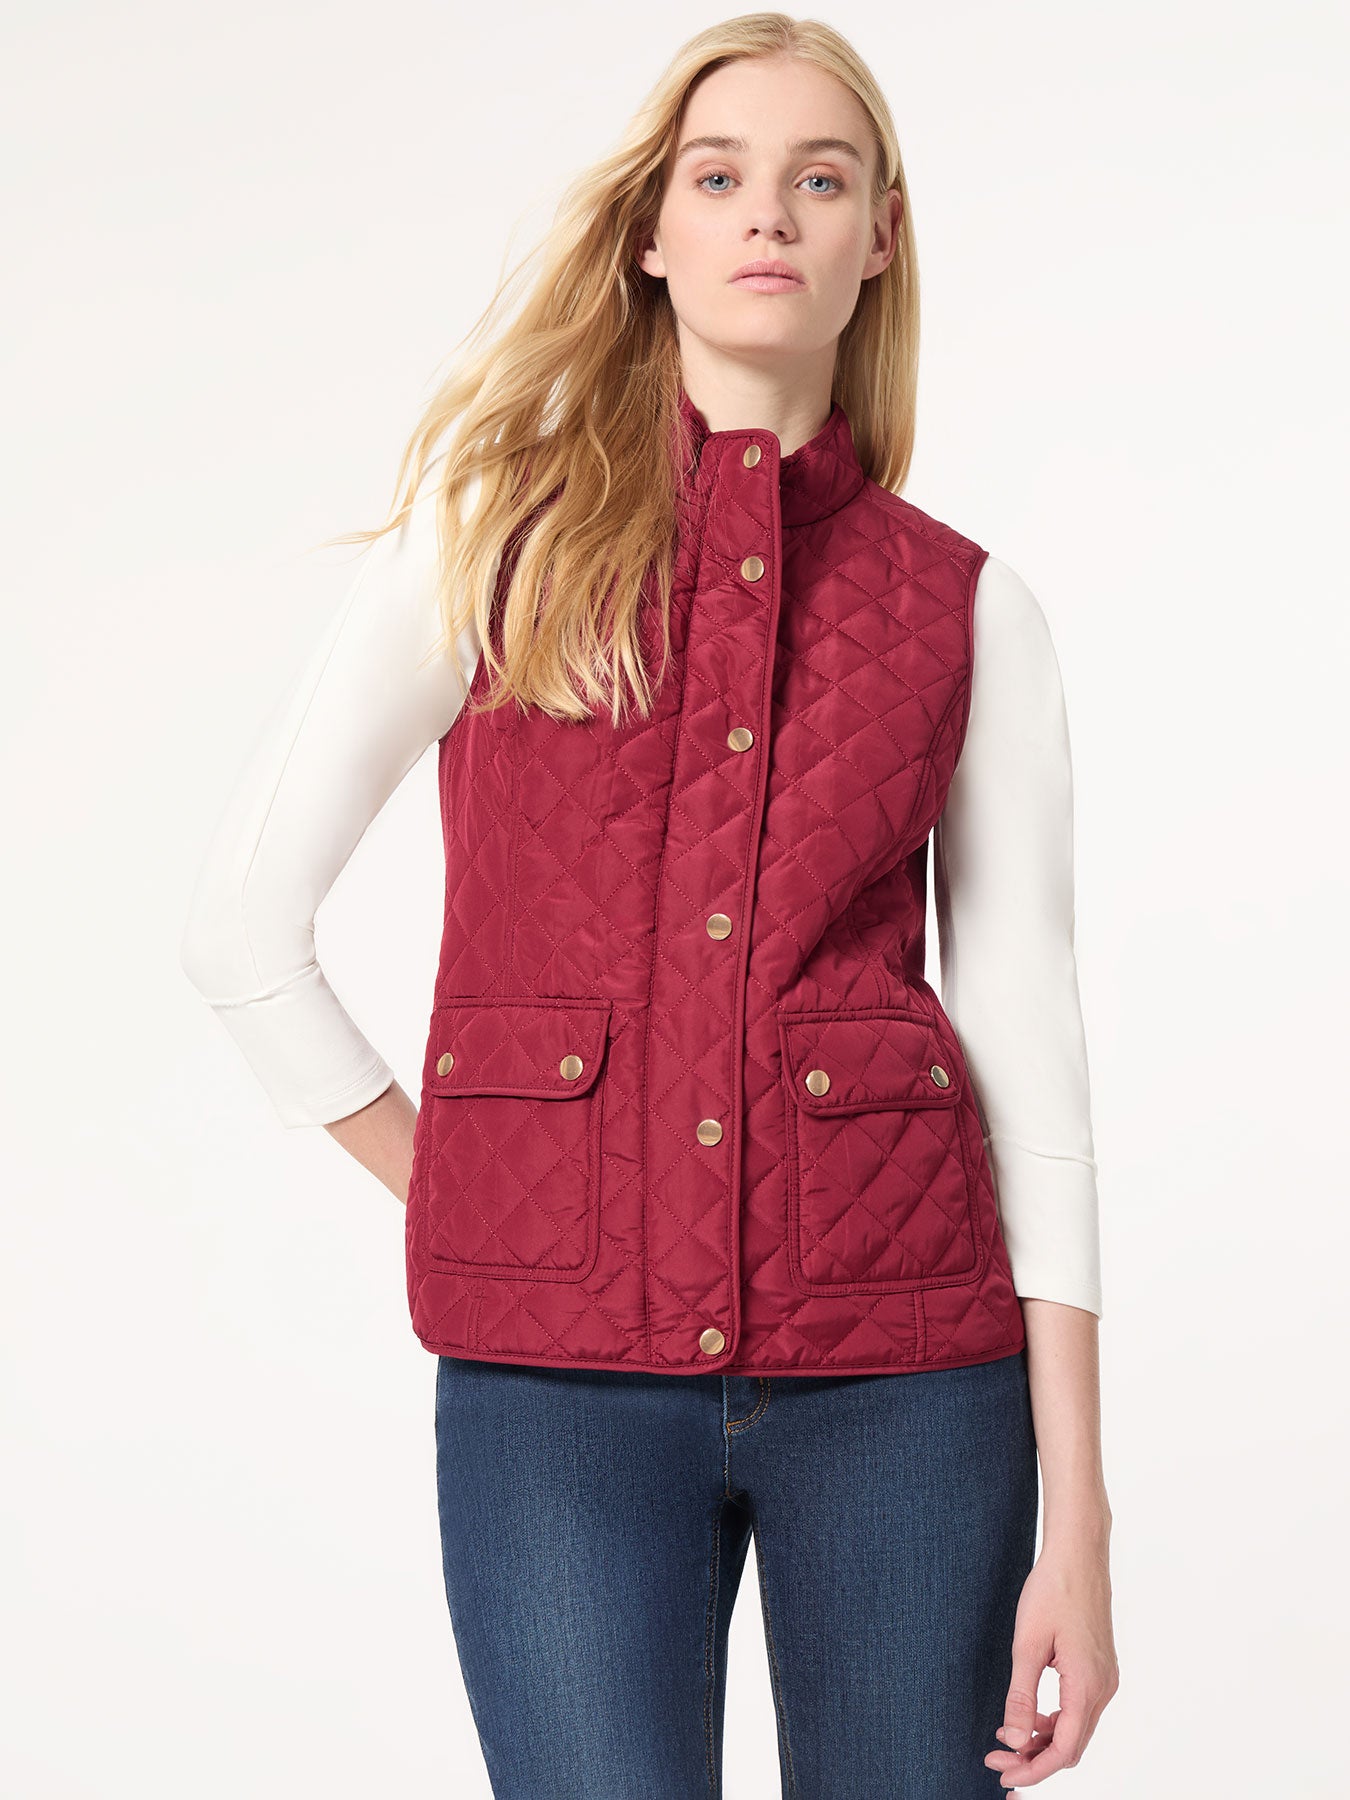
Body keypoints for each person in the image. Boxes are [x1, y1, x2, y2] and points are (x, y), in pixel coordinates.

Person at [180, 14, 1118, 1796]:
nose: (767, 212)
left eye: (818, 179)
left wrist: (1077, 1517)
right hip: (557, 1400)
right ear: (651, 232)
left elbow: (1032, 1065)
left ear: (877, 237)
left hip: (908, 1384)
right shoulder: (491, 545)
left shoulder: (965, 608)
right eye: (718, 175)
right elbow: (240, 931)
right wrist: (483, 1194)